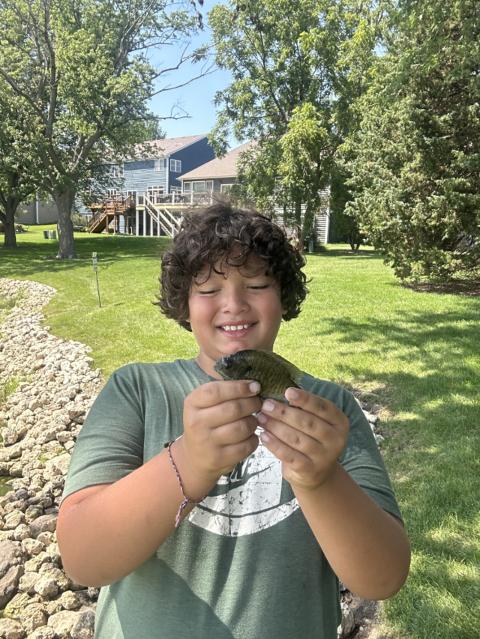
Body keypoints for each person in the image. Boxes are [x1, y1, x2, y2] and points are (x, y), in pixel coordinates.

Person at [57, 203, 410, 639]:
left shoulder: (330, 411)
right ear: (184, 304)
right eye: (208, 289)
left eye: (257, 284)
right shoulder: (138, 391)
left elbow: (382, 578)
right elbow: (82, 560)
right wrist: (189, 461)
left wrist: (321, 479)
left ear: (283, 297)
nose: (234, 304)